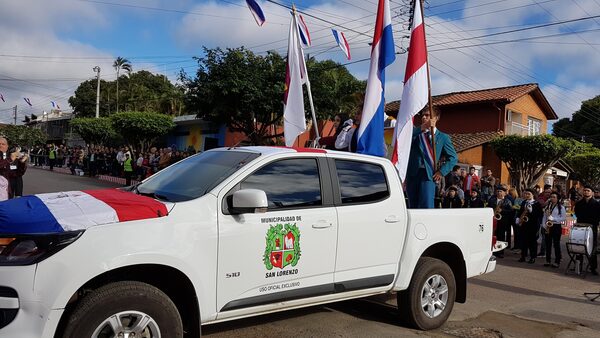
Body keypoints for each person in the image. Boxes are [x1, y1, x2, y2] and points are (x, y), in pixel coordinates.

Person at [405, 106, 458, 209]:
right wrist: (422, 127)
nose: (424, 117)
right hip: (413, 174)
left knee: (426, 206)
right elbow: (405, 138)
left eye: (427, 115)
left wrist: (442, 172)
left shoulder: (443, 137)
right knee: (412, 206)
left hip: (428, 175)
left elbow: (453, 158)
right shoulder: (416, 133)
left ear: (436, 118)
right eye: (422, 115)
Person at [574, 185, 599, 275]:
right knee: (579, 246)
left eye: (588, 191)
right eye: (584, 190)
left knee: (592, 248)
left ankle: (593, 267)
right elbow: (577, 214)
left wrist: (592, 223)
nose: (586, 192)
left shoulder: (597, 204)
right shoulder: (579, 203)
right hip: (581, 227)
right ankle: (578, 266)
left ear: (592, 193)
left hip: (592, 228)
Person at [517, 188, 543, 264]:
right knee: (523, 241)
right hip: (524, 224)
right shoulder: (524, 202)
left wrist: (532, 211)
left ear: (533, 195)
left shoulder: (536, 204)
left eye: (529, 194)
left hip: (532, 225)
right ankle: (523, 256)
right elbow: (520, 211)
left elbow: (539, 214)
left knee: (532, 242)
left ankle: (532, 257)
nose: (527, 195)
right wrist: (518, 218)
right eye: (526, 194)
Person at [541, 192, 566, 268]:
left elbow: (563, 218)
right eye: (551, 197)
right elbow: (544, 216)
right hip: (548, 226)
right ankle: (548, 261)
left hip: (556, 226)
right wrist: (544, 224)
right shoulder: (548, 206)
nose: (552, 198)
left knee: (556, 244)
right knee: (548, 244)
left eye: (554, 197)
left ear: (558, 198)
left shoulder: (561, 207)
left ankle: (557, 261)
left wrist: (554, 219)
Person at [488, 186, 513, 258]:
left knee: (501, 236)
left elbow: (511, 211)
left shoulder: (507, 201)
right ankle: (493, 251)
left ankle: (500, 252)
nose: (499, 193)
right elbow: (488, 208)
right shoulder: (492, 200)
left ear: (504, 193)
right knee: (493, 236)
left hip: (502, 221)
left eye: (501, 191)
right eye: (498, 191)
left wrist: (502, 211)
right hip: (493, 220)